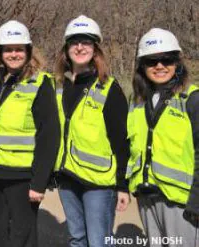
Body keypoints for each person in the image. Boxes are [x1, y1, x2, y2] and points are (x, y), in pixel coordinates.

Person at [0, 20, 60, 247]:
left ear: (28, 51)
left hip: (23, 179)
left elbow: (49, 135)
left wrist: (39, 182)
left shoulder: (40, 83)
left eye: (18, 49)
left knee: (22, 238)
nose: (13, 54)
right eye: (8, 49)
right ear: (0, 52)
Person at [53, 15, 130, 247]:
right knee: (77, 239)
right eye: (74, 42)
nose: (79, 47)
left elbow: (121, 141)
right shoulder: (57, 85)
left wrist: (122, 185)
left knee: (99, 242)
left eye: (86, 42)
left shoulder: (109, 88)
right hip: (67, 178)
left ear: (95, 49)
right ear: (66, 49)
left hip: (98, 182)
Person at [126, 28, 199, 246]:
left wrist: (196, 203)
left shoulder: (191, 100)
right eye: (152, 61)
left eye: (167, 59)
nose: (159, 66)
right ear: (142, 65)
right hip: (147, 197)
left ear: (177, 63)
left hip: (181, 204)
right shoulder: (137, 101)